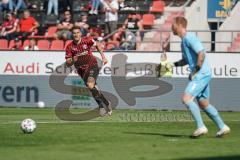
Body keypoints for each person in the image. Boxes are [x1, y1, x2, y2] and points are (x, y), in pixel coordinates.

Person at [169, 16, 230, 138]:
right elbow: (185, 61)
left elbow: (201, 53)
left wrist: (195, 71)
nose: (171, 28)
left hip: (201, 74)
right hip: (203, 74)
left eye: (173, 25)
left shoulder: (190, 37)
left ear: (179, 25)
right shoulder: (183, 42)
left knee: (186, 99)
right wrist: (172, 65)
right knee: (204, 104)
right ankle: (222, 126)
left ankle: (201, 126)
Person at [65, 26, 112, 116]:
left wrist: (103, 57)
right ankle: (106, 103)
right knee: (94, 89)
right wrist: (73, 59)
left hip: (92, 65)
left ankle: (101, 107)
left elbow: (97, 45)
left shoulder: (87, 41)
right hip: (81, 70)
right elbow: (68, 63)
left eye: (78, 32)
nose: (76, 34)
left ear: (80, 34)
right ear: (72, 34)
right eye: (74, 33)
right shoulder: (69, 47)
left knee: (90, 85)